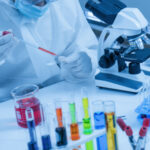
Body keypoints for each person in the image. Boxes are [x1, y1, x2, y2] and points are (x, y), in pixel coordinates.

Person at [0, 0, 98, 101]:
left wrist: (86, 62)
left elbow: (89, 48)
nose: (40, 5)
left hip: (63, 93)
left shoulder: (66, 3)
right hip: (8, 102)